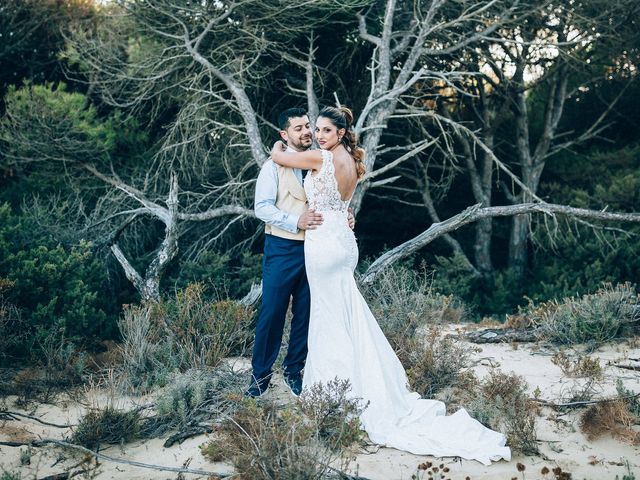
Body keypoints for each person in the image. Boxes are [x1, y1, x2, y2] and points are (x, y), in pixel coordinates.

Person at [270, 106, 511, 465]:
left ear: (340, 132)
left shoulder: (320, 157)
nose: (318, 135)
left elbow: (279, 155)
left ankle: (336, 393)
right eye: (316, 129)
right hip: (342, 240)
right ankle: (350, 385)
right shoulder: (350, 161)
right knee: (345, 312)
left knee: (328, 317)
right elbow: (341, 202)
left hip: (323, 243)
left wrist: (279, 144)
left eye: (325, 130)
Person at [247, 107, 353, 398]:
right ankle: (259, 379)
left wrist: (344, 214)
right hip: (283, 248)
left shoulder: (324, 159)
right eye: (299, 128)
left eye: (309, 126)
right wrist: (296, 220)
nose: (308, 132)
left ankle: (294, 371)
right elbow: (262, 208)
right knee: (272, 313)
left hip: (318, 249)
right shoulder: (272, 167)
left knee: (307, 314)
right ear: (284, 135)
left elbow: (333, 196)